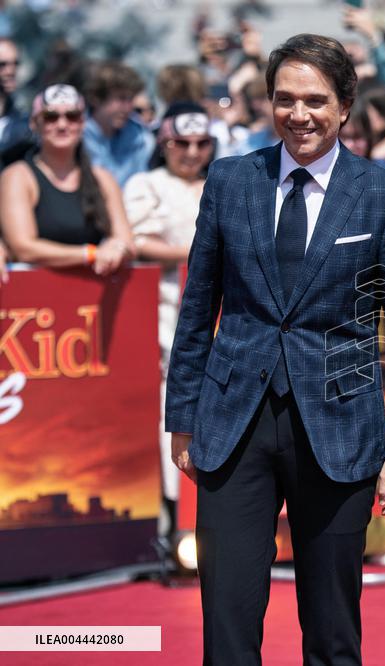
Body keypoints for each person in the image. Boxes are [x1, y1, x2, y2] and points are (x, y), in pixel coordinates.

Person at [165, 34, 385, 665]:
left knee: (333, 629)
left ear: (345, 106)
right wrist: (182, 419)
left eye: (315, 100)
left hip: (340, 426)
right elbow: (197, 309)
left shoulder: (382, 194)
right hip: (234, 423)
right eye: (285, 99)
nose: (299, 114)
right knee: (227, 624)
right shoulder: (230, 180)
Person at [123, 103, 215, 538]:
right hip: (165, 316)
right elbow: (137, 240)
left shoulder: (223, 179)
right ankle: (176, 516)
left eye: (201, 143)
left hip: (224, 315)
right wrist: (204, 253)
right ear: (164, 143)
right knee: (173, 411)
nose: (192, 152)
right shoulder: (146, 184)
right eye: (182, 143)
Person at [0, 84, 133, 275]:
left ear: (83, 123)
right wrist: (91, 253)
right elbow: (23, 248)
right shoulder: (18, 176)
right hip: (36, 290)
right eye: (50, 117)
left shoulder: (102, 178)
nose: (62, 125)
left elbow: (126, 241)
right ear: (34, 123)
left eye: (72, 116)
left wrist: (118, 248)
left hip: (93, 288)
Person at [82, 61, 155, 186]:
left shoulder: (142, 139)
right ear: (96, 98)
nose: (128, 108)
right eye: (121, 98)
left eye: (130, 99)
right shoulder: (75, 137)